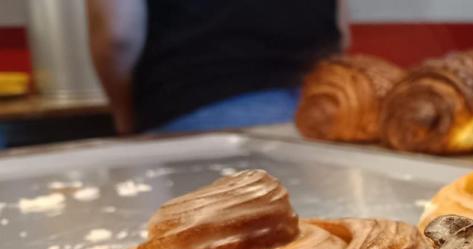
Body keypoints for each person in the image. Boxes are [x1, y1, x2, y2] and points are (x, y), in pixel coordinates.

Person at [87, 0, 348, 134]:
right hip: (316, 113)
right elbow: (342, 31)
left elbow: (117, 35)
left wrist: (124, 113)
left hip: (192, 111)